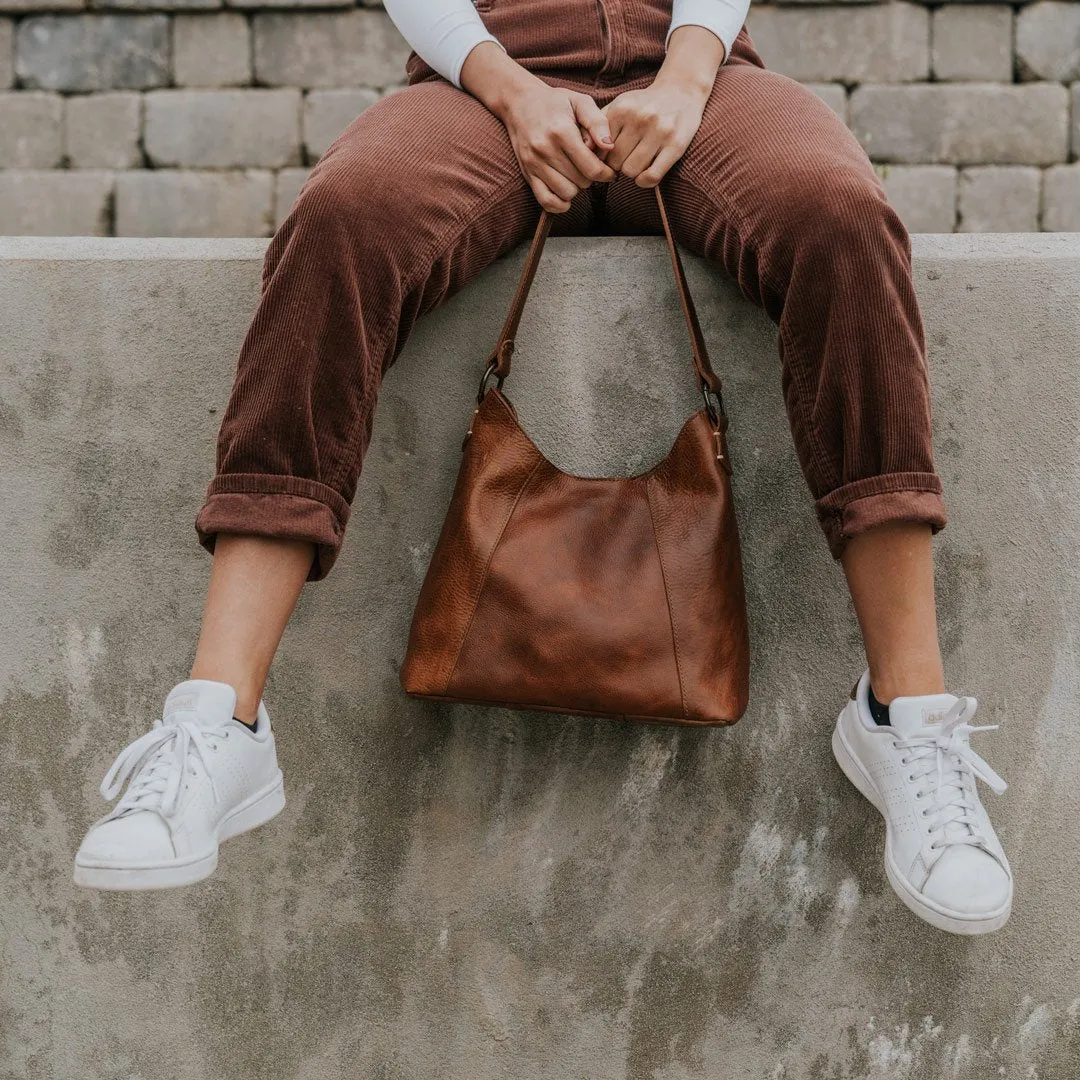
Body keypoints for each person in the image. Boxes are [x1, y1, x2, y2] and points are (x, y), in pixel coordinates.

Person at [72, 0, 1012, 935]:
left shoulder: (699, 78)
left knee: (840, 216)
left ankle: (907, 719)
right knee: (343, 220)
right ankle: (217, 724)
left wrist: (685, 82)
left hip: (700, 73)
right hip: (482, 79)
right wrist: (510, 88)